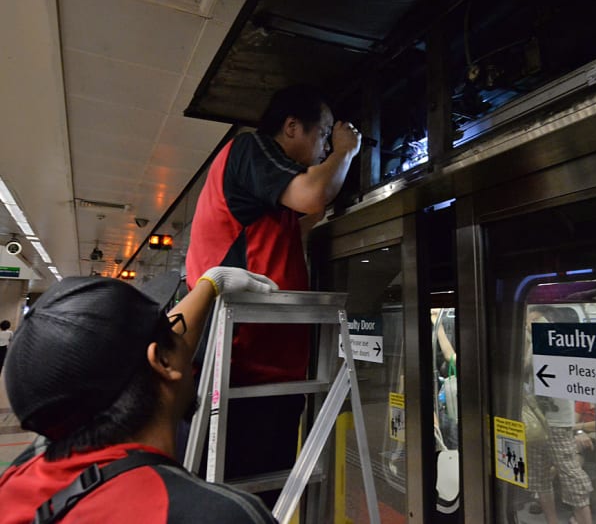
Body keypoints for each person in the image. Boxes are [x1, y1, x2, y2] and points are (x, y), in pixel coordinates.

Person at [0, 266, 281, 523]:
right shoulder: (218, 515)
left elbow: (163, 347)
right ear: (162, 360)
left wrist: (209, 285)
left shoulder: (19, 478)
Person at [184, 84, 361, 482]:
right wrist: (346, 150)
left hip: (269, 372)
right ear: (292, 126)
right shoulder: (251, 148)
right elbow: (314, 194)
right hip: (237, 370)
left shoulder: (271, 202)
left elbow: (307, 213)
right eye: (324, 132)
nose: (326, 144)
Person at [524, 306, 594, 524]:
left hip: (557, 422)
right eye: (530, 322)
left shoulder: (559, 344)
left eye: (538, 321)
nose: (533, 325)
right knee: (540, 476)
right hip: (536, 420)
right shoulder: (531, 343)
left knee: (571, 475)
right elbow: (524, 370)